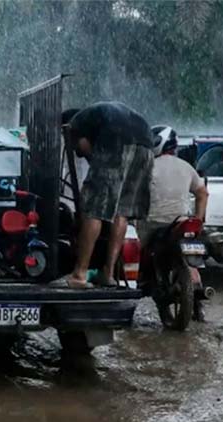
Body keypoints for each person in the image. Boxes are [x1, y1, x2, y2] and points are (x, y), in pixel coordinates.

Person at [59, 101, 155, 288]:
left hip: (116, 142)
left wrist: (96, 181)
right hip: (146, 145)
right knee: (121, 211)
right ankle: (108, 274)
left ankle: (79, 275)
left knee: (94, 209)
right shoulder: (97, 115)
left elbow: (85, 149)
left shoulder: (74, 124)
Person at [138, 125, 209, 318]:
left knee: (138, 252)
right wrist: (199, 219)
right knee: (192, 259)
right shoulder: (187, 167)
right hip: (182, 223)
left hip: (153, 224)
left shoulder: (146, 166)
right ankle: (199, 304)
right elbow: (203, 193)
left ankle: (142, 280)